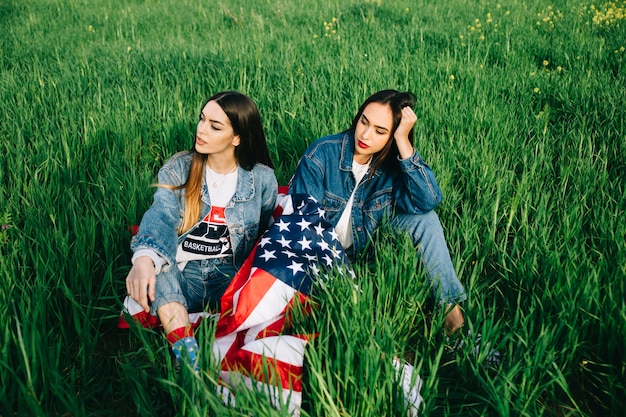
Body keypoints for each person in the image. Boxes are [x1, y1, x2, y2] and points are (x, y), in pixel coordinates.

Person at [289, 89, 466, 334]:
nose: (365, 134)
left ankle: (452, 320)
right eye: (364, 121)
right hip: (321, 255)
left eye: (380, 131)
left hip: (366, 250)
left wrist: (404, 142)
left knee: (426, 219)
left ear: (392, 136)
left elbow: (427, 200)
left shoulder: (391, 167)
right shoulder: (322, 154)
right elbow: (303, 223)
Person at [125, 91, 278, 366]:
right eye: (202, 119)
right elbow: (161, 214)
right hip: (185, 275)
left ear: (237, 137)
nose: (201, 130)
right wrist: (145, 258)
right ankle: (187, 356)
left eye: (215, 126)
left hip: (231, 276)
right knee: (160, 271)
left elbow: (265, 233)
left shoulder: (262, 179)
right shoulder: (178, 168)